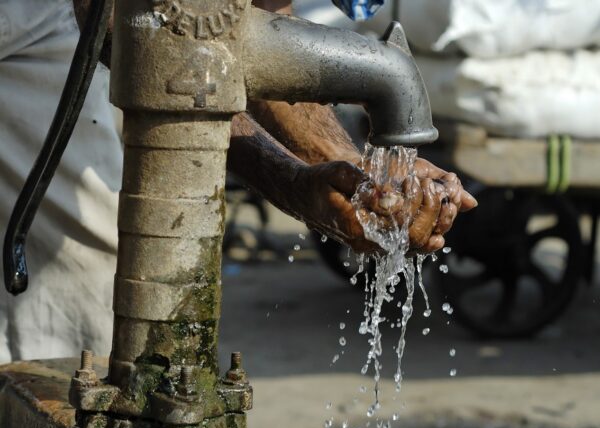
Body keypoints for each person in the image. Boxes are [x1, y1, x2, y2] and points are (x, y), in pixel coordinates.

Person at [0, 0, 475, 363]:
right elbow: (145, 33)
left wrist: (355, 178)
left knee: (80, 283)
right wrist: (289, 181)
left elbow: (241, 28)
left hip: (49, 16)